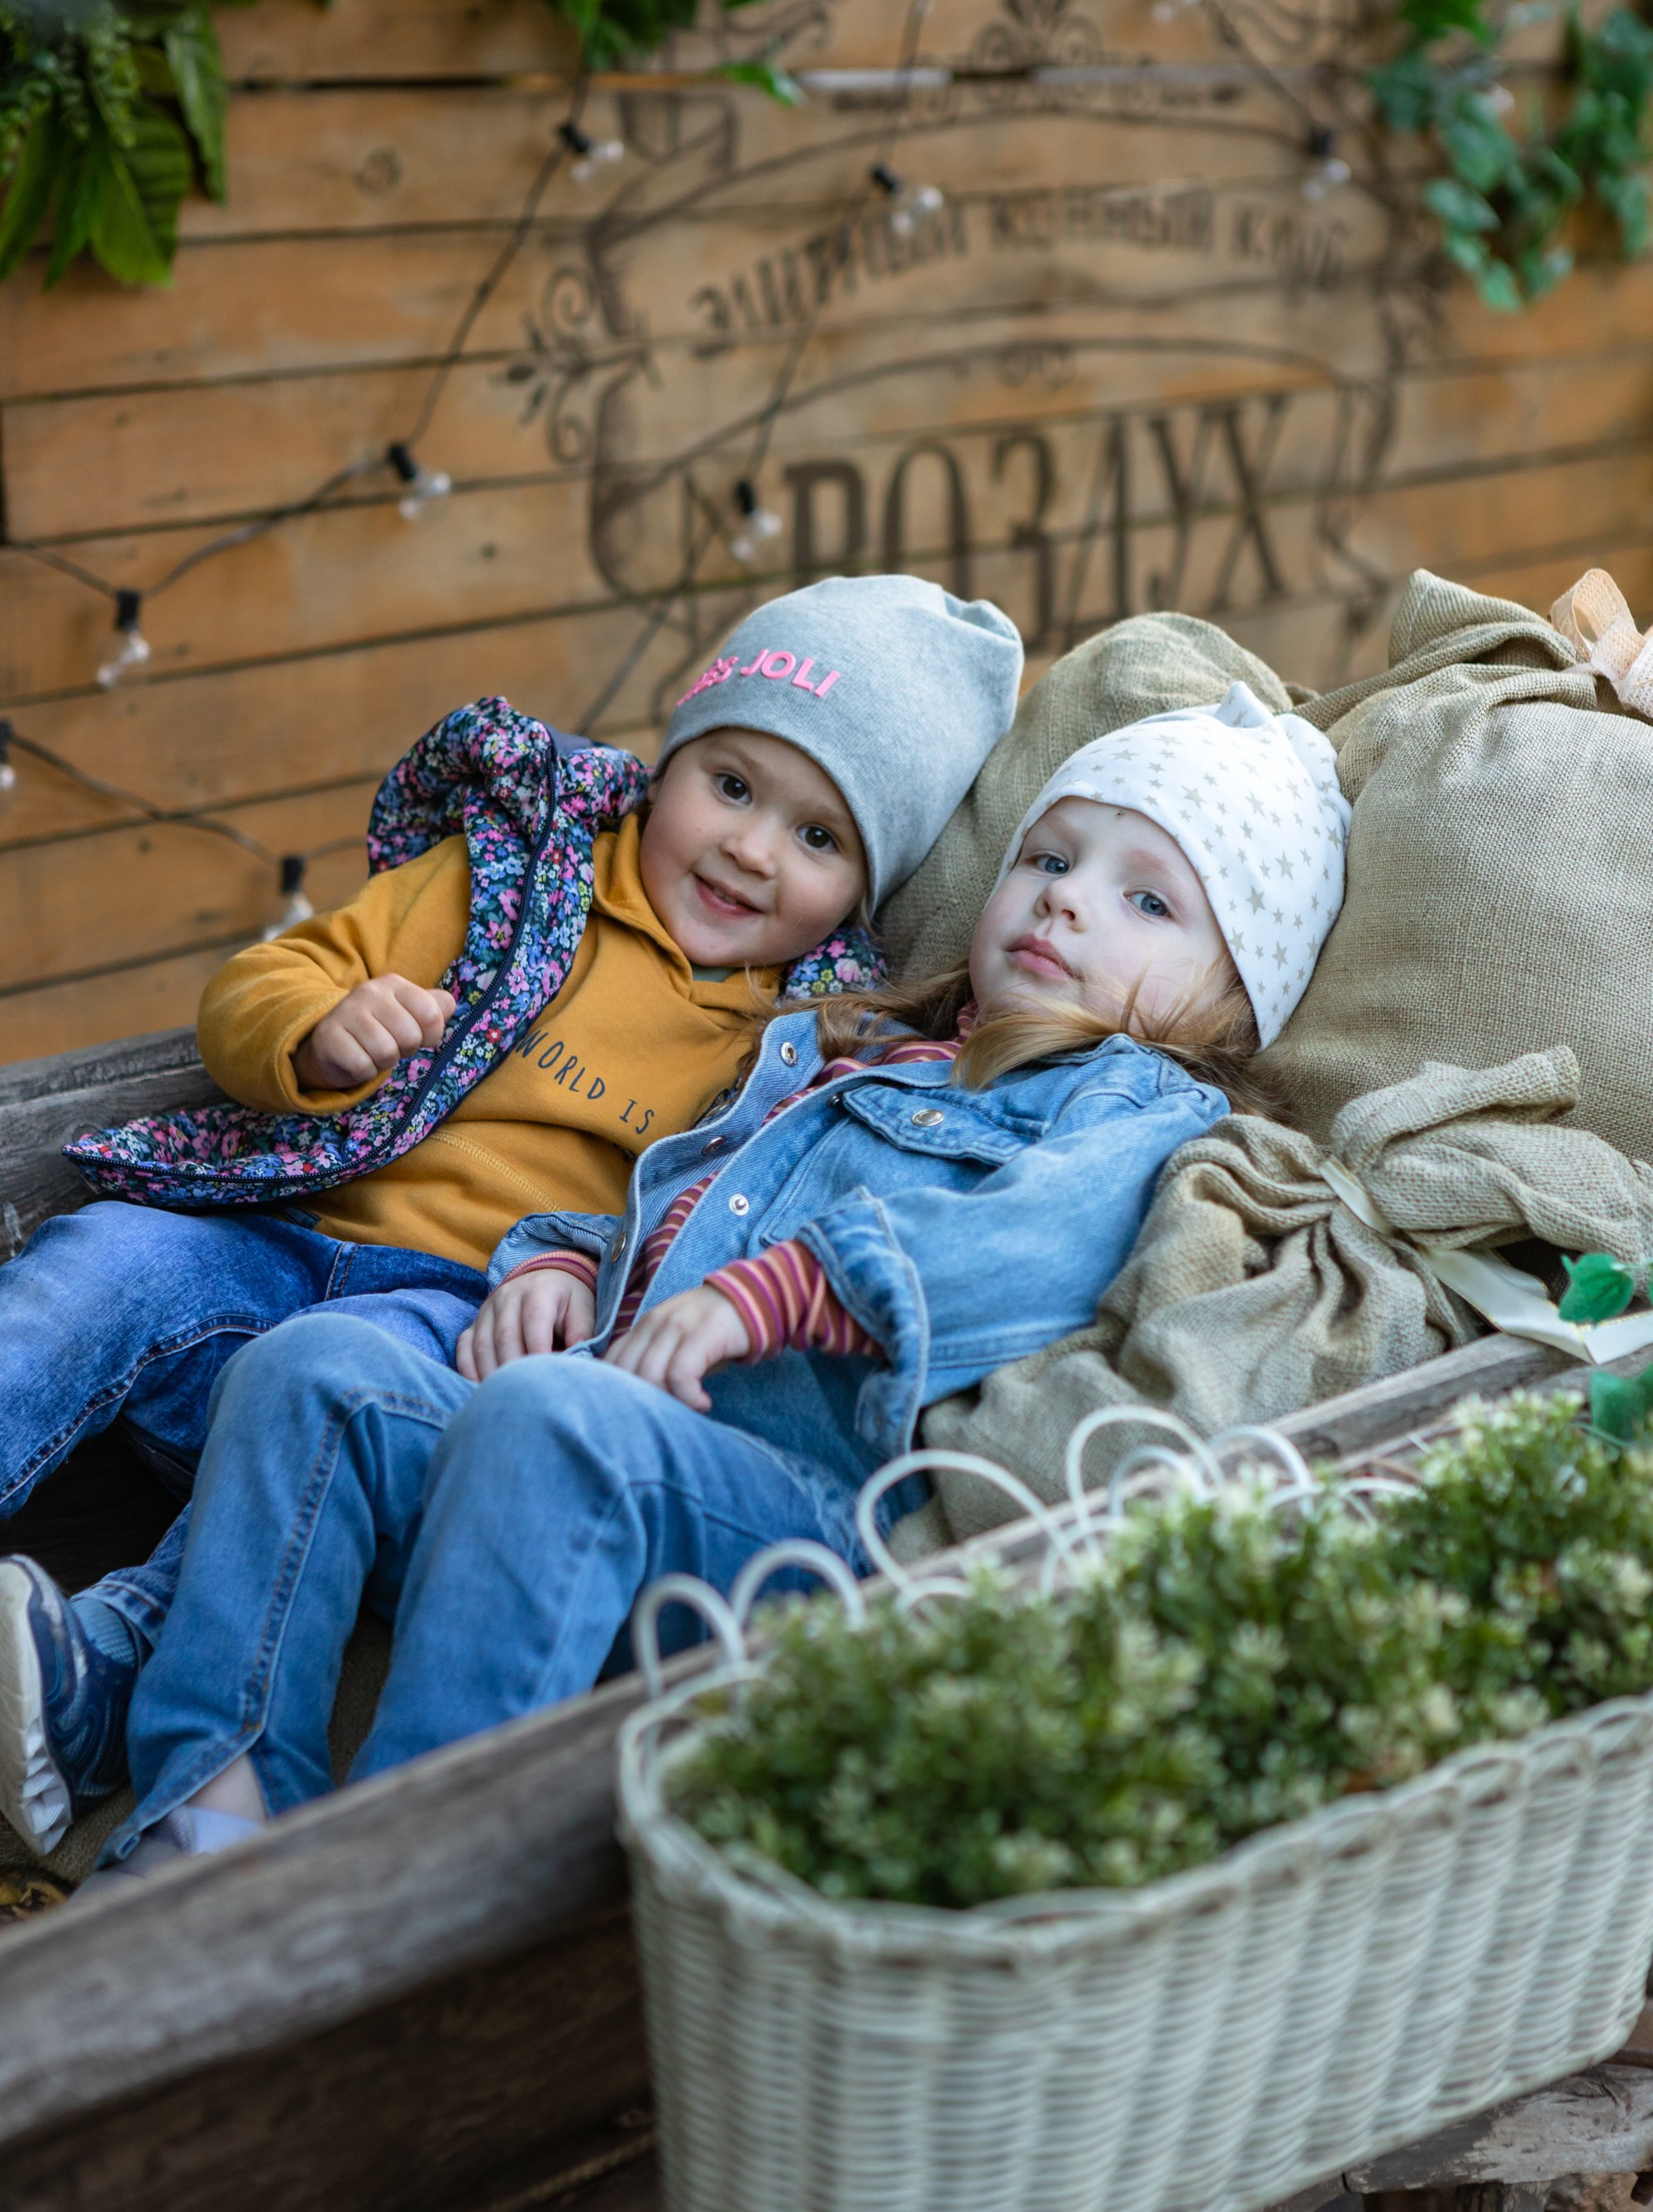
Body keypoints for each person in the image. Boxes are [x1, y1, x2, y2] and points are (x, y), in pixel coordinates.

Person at [85, 682, 1351, 1880]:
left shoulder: (1134, 1108)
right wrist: (568, 1263)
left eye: (1150, 903)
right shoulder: (854, 1047)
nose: (1068, 903)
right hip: (585, 1439)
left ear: (1236, 1003)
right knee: (318, 1369)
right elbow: (672, 1190)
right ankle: (213, 1810)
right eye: (1052, 859)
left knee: (552, 1423)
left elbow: (1028, 1248)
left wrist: (784, 1292)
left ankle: (391, 1900)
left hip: (783, 1535)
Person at [0, 575, 1025, 1857]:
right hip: (272, 1230)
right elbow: (275, 973)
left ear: (869, 886)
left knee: (327, 1407)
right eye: (735, 786)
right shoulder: (515, 869)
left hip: (454, 1311)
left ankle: (106, 1685)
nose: (754, 847)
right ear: (674, 754)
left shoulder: (810, 1042)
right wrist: (318, 1033)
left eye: (822, 841)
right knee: (91, 1264)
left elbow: (718, 1226)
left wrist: (589, 1275)